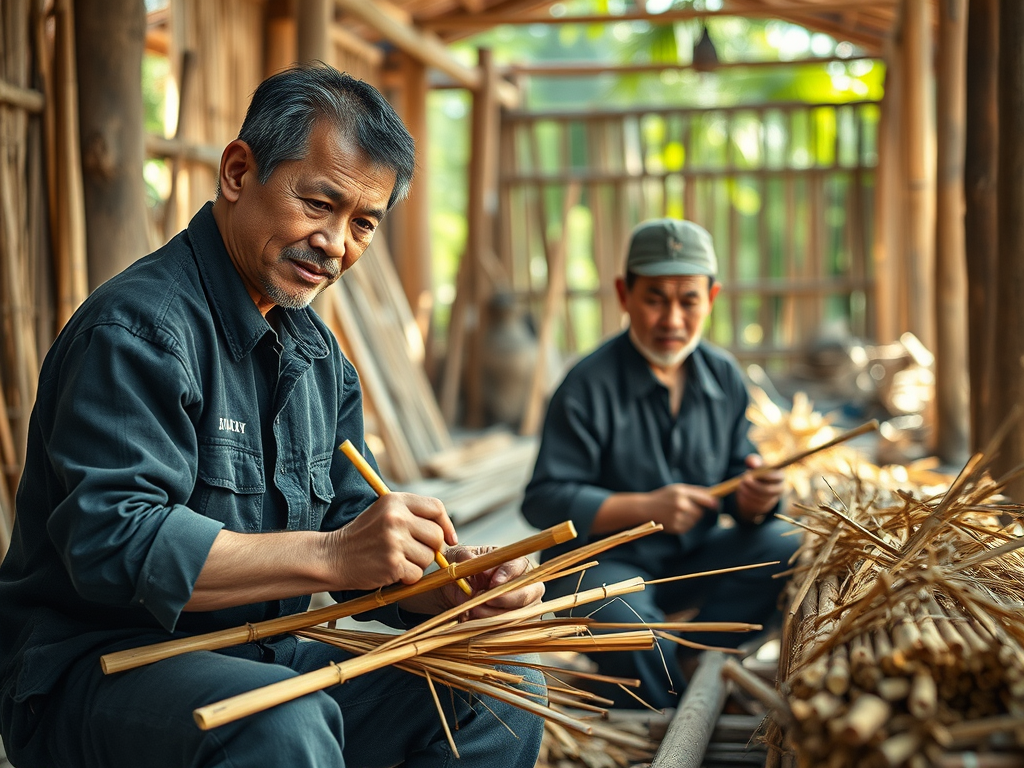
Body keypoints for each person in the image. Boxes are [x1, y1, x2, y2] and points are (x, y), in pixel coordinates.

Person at [0, 64, 545, 768]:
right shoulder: (138, 331)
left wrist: (451, 588)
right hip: (100, 669)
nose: (336, 243)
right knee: (283, 723)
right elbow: (112, 546)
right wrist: (333, 553)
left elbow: (355, 541)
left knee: (499, 691)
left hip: (260, 656)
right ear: (237, 172)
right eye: (318, 203)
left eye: (363, 224)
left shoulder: (319, 358)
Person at [521, 218, 798, 710]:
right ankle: (676, 697)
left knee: (790, 544)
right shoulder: (586, 385)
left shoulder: (723, 377)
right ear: (624, 295)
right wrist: (646, 507)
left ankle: (691, 660)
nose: (672, 319)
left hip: (692, 558)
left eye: (688, 300)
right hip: (603, 565)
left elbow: (739, 478)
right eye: (655, 299)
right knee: (625, 624)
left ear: (711, 299)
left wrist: (756, 499)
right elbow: (544, 500)